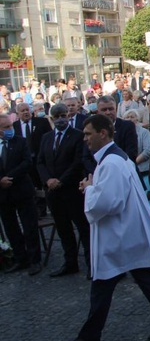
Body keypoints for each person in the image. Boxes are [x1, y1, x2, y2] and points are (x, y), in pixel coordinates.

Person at [57, 114, 150, 341]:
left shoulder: (111, 163)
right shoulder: (115, 158)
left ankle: (89, 337)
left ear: (102, 133)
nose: (85, 139)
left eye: (88, 134)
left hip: (118, 237)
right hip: (127, 233)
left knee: (103, 284)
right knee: (144, 279)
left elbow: (106, 204)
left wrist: (89, 188)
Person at [37, 103, 90, 278]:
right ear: (51, 119)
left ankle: (91, 263)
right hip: (53, 192)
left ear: (68, 116)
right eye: (57, 116)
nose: (61, 119)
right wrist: (48, 180)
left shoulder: (78, 136)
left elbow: (78, 162)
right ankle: (70, 263)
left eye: (63, 115)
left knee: (83, 228)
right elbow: (40, 161)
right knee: (63, 229)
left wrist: (61, 180)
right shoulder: (46, 137)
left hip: (71, 190)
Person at [0, 113, 42, 276]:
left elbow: (27, 162)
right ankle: (20, 258)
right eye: (6, 128)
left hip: (21, 189)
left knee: (29, 225)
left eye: (10, 126)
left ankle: (34, 260)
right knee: (11, 227)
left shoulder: (20, 141)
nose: (10, 129)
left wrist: (9, 177)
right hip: (3, 194)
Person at [124, 109, 150, 194]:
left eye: (132, 117)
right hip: (127, 172)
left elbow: (148, 150)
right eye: (127, 117)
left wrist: (133, 163)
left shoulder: (144, 132)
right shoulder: (123, 133)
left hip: (143, 171)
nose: (130, 119)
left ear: (137, 118)